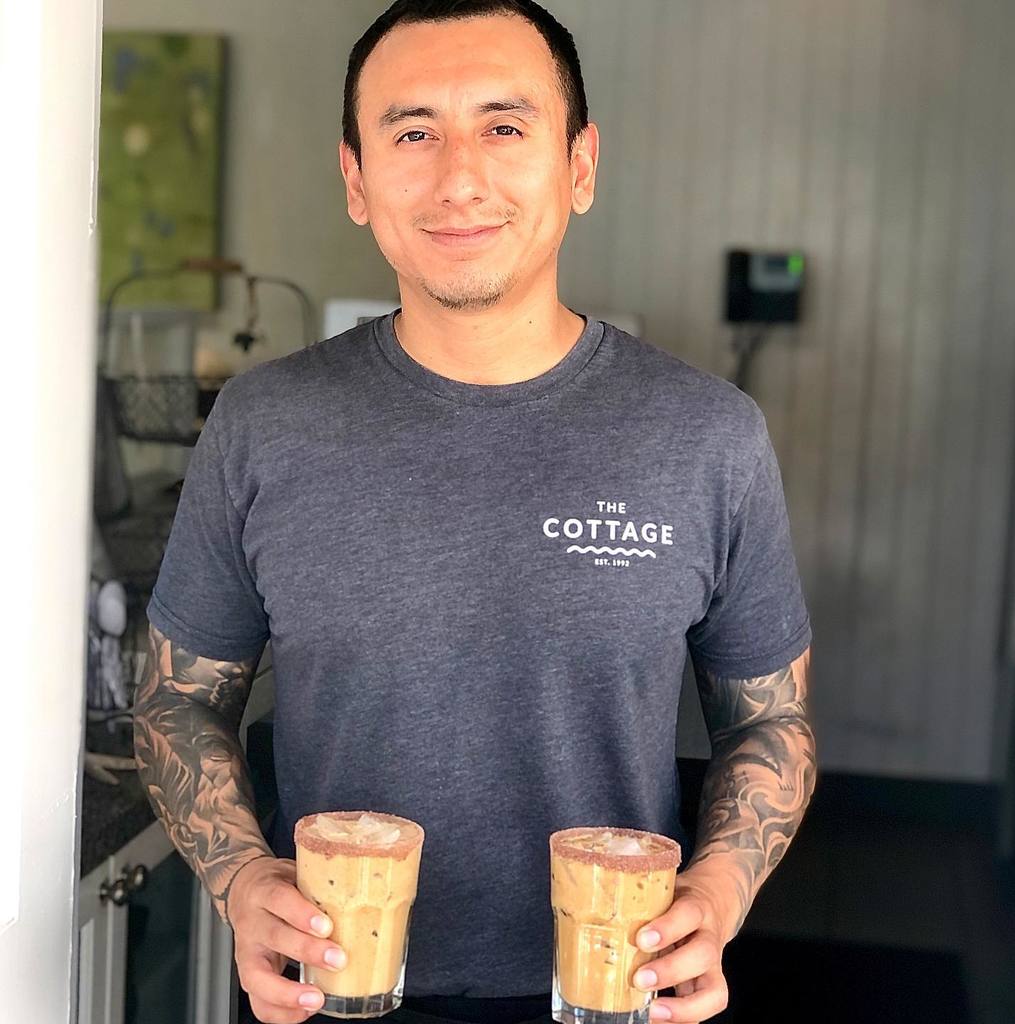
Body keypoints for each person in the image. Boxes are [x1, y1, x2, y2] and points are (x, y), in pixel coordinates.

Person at [133, 2, 817, 1023]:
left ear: (579, 165)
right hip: (333, 992)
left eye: (504, 126)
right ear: (356, 179)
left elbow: (770, 720)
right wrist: (240, 875)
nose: (459, 178)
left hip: (614, 989)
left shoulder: (707, 435)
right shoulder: (263, 424)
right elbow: (175, 703)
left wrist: (719, 892)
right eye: (413, 133)